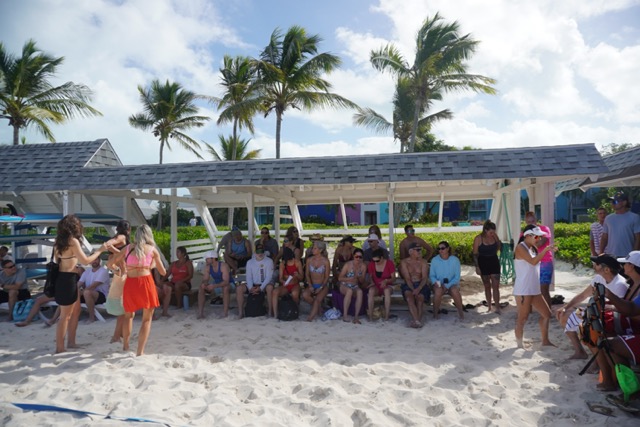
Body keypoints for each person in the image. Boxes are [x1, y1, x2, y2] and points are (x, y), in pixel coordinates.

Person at [108, 224, 165, 356]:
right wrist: (153, 264)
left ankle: (126, 347)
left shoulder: (128, 248)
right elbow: (163, 272)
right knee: (146, 319)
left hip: (130, 283)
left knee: (128, 316)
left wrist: (120, 271)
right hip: (145, 283)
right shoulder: (152, 250)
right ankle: (140, 351)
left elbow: (110, 264)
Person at [556, 254, 628, 360]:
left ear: (607, 269)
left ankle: (598, 361)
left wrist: (588, 312)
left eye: (597, 264)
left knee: (588, 324)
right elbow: (583, 295)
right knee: (564, 315)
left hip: (612, 317)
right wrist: (566, 307)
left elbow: (617, 308)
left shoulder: (620, 284)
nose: (594, 265)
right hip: (597, 311)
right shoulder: (600, 278)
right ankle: (580, 351)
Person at [53, 214, 107, 353]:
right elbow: (85, 261)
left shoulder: (58, 242)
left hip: (63, 278)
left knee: (75, 311)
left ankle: (71, 342)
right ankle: (60, 348)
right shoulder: (73, 241)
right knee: (65, 316)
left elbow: (58, 261)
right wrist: (100, 250)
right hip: (68, 279)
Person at [596, 251, 640, 391]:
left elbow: (631, 310)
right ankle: (614, 381)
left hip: (635, 330)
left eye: (626, 263)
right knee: (603, 338)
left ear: (632, 266)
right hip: (633, 328)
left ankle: (630, 391)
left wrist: (610, 296)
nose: (622, 266)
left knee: (608, 344)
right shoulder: (632, 284)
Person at [513, 224, 557, 349]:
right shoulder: (520, 247)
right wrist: (546, 249)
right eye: (536, 236)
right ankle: (519, 345)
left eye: (539, 237)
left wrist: (545, 249)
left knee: (547, 314)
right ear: (527, 236)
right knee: (523, 318)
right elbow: (533, 262)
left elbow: (535, 262)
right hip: (523, 289)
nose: (538, 239)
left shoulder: (532, 248)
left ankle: (545, 340)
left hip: (534, 288)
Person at [104, 219, 131, 344]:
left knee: (124, 308)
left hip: (119, 271)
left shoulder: (119, 237)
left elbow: (109, 260)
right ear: (128, 230)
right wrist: (121, 253)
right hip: (122, 274)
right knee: (124, 308)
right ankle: (116, 336)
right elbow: (108, 245)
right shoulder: (121, 237)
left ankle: (118, 334)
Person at [524, 212, 554, 308]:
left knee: (544, 289)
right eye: (529, 222)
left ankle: (548, 311)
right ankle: (529, 311)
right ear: (525, 222)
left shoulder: (544, 229)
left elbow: (540, 243)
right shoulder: (524, 232)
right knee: (530, 289)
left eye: (532, 221)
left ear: (536, 220)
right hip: (531, 263)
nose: (531, 223)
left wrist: (532, 242)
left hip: (545, 262)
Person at [237, 243, 274, 319]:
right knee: (239, 288)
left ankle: (270, 311)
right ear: (255, 252)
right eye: (258, 251)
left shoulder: (269, 261)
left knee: (270, 288)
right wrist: (250, 288)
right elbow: (249, 277)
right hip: (253, 284)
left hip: (264, 284)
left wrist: (261, 288)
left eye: (261, 251)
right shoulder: (250, 262)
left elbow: (268, 277)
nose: (260, 254)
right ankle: (240, 313)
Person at [473, 220, 502, 313]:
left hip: (494, 260)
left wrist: (497, 240)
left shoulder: (494, 236)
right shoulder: (478, 238)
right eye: (490, 232)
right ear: (485, 230)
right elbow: (475, 254)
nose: (492, 234)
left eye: (493, 232)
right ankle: (489, 305)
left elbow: (499, 247)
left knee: (496, 286)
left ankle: (497, 307)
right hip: (483, 262)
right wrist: (477, 267)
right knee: (487, 286)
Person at [430, 241, 464, 320]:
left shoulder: (455, 260)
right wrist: (436, 283)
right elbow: (432, 275)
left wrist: (447, 286)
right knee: (438, 291)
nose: (440, 250)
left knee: (455, 291)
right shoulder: (434, 260)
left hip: (451, 284)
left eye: (442, 248)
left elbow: (457, 277)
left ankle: (461, 313)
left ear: (448, 249)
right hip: (438, 284)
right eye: (439, 248)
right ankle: (435, 314)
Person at [600, 192, 640, 258]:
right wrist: (601, 252)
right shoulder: (608, 218)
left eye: (615, 202)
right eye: (611, 202)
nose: (612, 204)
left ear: (624, 203)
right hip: (611, 255)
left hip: (627, 255)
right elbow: (604, 237)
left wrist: (633, 255)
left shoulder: (634, 217)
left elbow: (638, 238)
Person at [399, 243, 430, 328]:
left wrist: (419, 288)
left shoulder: (423, 262)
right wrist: (413, 289)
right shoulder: (404, 262)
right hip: (409, 284)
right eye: (418, 250)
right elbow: (407, 278)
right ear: (411, 251)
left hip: (421, 284)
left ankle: (417, 321)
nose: (420, 252)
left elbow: (424, 278)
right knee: (410, 299)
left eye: (420, 249)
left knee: (420, 299)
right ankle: (417, 321)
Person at [197, 250, 234, 319]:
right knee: (201, 288)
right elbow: (205, 279)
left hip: (229, 284)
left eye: (207, 258)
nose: (206, 260)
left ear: (213, 258)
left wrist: (214, 286)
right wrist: (204, 284)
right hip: (216, 285)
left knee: (225, 288)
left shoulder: (223, 266)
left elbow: (226, 281)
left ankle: (225, 313)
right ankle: (200, 313)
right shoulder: (208, 267)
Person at [159, 246, 194, 317]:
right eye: (176, 252)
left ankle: (179, 304)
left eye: (178, 252)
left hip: (185, 283)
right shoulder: (174, 263)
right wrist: (161, 281)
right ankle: (164, 304)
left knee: (178, 285)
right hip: (173, 282)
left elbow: (190, 275)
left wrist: (182, 280)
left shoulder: (188, 263)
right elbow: (167, 274)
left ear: (183, 253)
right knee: (164, 285)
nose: (176, 254)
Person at [302, 240, 331, 322]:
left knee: (318, 299)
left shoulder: (325, 261)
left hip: (322, 285)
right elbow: (307, 274)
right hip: (312, 284)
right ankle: (319, 309)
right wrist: (310, 285)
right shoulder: (309, 260)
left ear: (320, 250)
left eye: (315, 248)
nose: (312, 250)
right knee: (305, 295)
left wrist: (321, 287)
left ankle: (310, 317)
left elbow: (327, 276)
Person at [337, 247, 367, 324]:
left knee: (360, 292)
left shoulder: (363, 266)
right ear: (353, 256)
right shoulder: (348, 265)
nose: (358, 259)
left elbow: (362, 281)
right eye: (356, 256)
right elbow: (340, 278)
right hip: (345, 284)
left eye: (360, 257)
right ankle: (345, 315)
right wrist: (349, 279)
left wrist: (358, 276)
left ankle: (356, 317)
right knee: (349, 291)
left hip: (355, 285)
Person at [366, 248, 396, 322]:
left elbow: (393, 278)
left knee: (386, 291)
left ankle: (386, 316)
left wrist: (386, 281)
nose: (376, 262)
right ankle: (370, 315)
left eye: (377, 260)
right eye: (374, 261)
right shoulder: (371, 265)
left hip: (388, 285)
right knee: (371, 291)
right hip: (376, 285)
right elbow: (370, 276)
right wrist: (372, 282)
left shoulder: (389, 263)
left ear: (382, 258)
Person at [272, 247, 303, 318]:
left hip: (295, 284)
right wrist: (283, 281)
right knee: (275, 292)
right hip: (286, 285)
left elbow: (301, 277)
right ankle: (275, 313)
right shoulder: (282, 264)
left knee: (295, 294)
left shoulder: (297, 262)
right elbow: (280, 278)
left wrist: (297, 275)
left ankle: (295, 311)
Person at [79, 258, 110, 323]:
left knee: (87, 292)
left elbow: (93, 286)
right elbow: (79, 283)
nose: (94, 261)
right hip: (87, 294)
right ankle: (66, 316)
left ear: (100, 260)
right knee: (73, 292)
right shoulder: (87, 271)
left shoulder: (103, 271)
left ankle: (91, 317)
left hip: (101, 296)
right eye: (92, 259)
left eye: (96, 259)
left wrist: (81, 292)